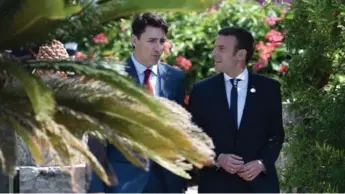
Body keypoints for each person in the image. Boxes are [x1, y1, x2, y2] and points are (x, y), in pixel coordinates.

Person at [87, 12, 186, 193]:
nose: (158, 48)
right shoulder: (112, 77)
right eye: (151, 41)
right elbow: (97, 139)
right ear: (134, 40)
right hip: (123, 182)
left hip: (166, 183)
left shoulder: (175, 78)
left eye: (162, 41)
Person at [188, 27, 285, 193]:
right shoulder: (201, 90)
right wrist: (218, 158)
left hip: (259, 186)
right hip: (215, 185)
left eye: (221, 49)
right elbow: (193, 135)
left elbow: (276, 135)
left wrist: (261, 163)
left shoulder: (269, 88)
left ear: (240, 55)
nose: (214, 53)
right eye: (215, 47)